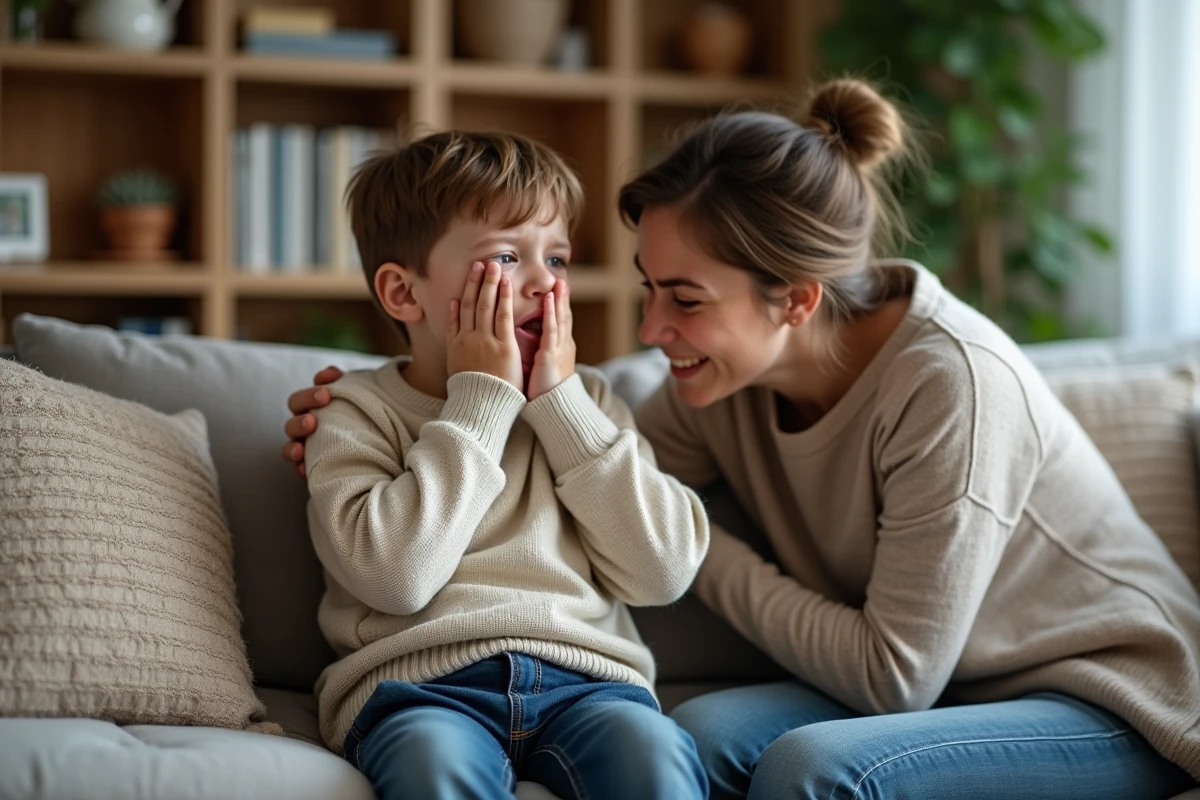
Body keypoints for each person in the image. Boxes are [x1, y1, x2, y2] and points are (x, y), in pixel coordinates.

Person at [284, 82, 1200, 799]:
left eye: (683, 300)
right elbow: (590, 467)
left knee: (811, 774)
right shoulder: (717, 377)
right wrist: (419, 414)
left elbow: (880, 670)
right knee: (707, 739)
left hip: (1094, 692)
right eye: (647, 286)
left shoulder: (954, 386)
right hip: (947, 681)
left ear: (796, 299)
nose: (649, 329)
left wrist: (682, 532)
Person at [298, 130, 710, 800]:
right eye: (509, 257)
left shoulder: (592, 403)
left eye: (558, 258)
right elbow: (397, 578)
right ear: (404, 293)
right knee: (433, 763)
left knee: (654, 754)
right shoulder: (352, 412)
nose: (546, 281)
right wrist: (482, 402)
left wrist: (562, 406)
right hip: (420, 692)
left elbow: (661, 571)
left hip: (590, 685)